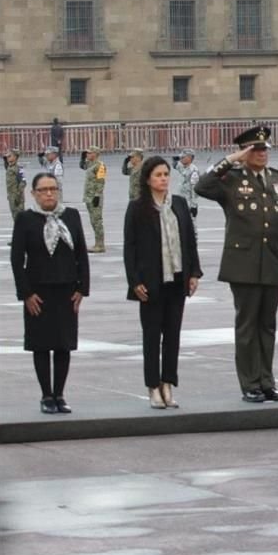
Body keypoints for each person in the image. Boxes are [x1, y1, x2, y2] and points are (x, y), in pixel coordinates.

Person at [195, 125, 278, 403]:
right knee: (247, 327)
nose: (262, 153)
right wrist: (230, 160)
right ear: (245, 152)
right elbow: (201, 186)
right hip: (243, 264)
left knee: (268, 326)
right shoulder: (230, 179)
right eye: (256, 149)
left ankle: (267, 381)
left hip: (274, 263)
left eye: (265, 149)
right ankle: (250, 383)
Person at [123, 157, 202, 409]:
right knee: (151, 336)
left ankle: (168, 382)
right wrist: (135, 281)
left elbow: (190, 240)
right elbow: (130, 248)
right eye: (158, 174)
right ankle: (153, 386)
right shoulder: (137, 208)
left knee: (173, 335)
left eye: (166, 174)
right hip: (151, 283)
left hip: (176, 280)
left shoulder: (178, 204)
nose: (163, 178)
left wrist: (194, 273)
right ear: (147, 179)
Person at [10, 173, 89, 414]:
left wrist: (81, 289)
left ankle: (60, 395)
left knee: (64, 345)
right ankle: (46, 395)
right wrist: (26, 294)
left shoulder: (72, 216)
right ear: (33, 193)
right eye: (43, 189)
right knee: (41, 345)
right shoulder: (25, 219)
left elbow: (82, 255)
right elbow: (17, 259)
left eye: (53, 189)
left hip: (66, 291)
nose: (48, 194)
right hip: (38, 292)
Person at [82, 146, 106, 253]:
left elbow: (101, 181)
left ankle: (100, 244)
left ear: (95, 154)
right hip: (88, 196)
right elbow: (82, 166)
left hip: (95, 197)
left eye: (89, 153)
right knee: (93, 221)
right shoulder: (90, 164)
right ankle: (97, 243)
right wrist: (82, 158)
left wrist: (97, 195)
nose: (87, 154)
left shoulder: (100, 166)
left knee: (97, 221)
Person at [5, 149, 26, 244]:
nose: (8, 157)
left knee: (20, 219)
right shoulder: (10, 167)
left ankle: (23, 239)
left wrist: (18, 195)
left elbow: (23, 182)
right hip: (11, 197)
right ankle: (18, 239)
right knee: (16, 218)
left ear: (15, 157)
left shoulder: (19, 168)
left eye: (10, 155)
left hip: (18, 197)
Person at [173, 149, 201, 220]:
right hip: (180, 200)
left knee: (190, 224)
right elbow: (175, 164)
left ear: (189, 158)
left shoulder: (193, 171)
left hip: (188, 202)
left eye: (183, 157)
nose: (181, 159)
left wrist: (194, 205)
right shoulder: (182, 167)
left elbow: (194, 189)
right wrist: (176, 159)